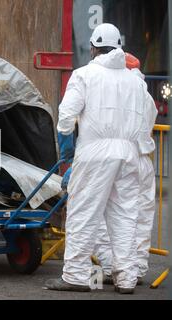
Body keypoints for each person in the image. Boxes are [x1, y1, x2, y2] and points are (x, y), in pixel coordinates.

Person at [45, 23, 153, 294]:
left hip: (94, 153)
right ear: (119, 48)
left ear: (93, 47)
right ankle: (126, 278)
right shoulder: (135, 82)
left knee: (83, 213)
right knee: (125, 217)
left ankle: (76, 275)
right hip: (130, 154)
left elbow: (67, 117)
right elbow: (145, 122)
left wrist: (68, 153)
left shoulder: (84, 75)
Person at [93, 53, 158, 286]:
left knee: (104, 213)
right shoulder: (145, 95)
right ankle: (136, 268)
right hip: (142, 160)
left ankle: (112, 266)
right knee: (139, 216)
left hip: (117, 158)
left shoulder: (116, 92)